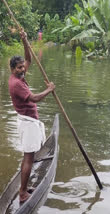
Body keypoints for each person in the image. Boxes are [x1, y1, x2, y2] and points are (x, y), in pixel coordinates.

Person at [8, 31, 55, 203]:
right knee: (29, 158)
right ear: (12, 69)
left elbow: (29, 60)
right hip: (28, 124)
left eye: (22, 67)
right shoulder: (16, 83)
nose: (22, 69)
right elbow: (34, 98)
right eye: (19, 68)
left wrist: (24, 40)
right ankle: (22, 193)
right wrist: (49, 89)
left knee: (30, 157)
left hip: (29, 120)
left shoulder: (19, 76)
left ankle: (24, 187)